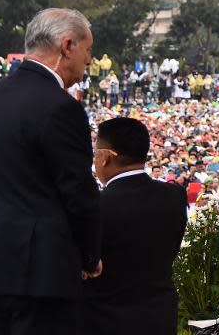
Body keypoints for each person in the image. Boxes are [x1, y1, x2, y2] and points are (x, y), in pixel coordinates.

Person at [0, 8, 101, 334]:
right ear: (67, 45)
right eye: (88, 52)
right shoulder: (60, 107)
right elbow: (78, 192)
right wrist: (90, 255)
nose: (88, 66)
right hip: (42, 272)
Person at [80, 117, 187, 335]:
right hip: (159, 315)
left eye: (96, 152)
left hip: (106, 319)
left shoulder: (95, 206)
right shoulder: (174, 195)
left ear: (106, 157)